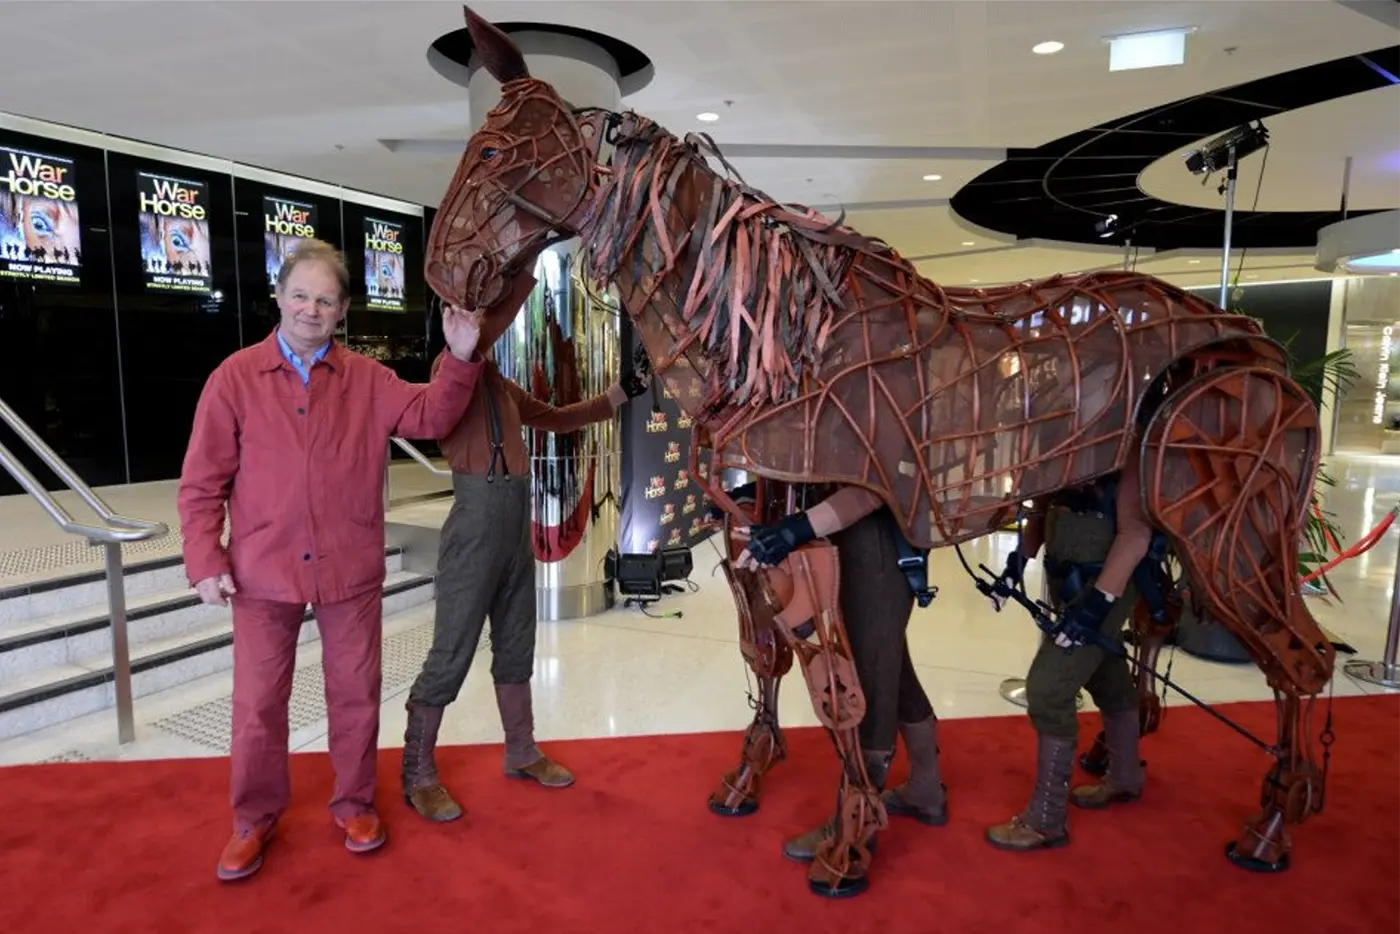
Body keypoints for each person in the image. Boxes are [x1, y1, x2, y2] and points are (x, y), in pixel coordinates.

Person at [177, 238, 486, 882]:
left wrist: (459, 358)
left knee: (355, 695)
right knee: (258, 703)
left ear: (342, 309)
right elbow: (202, 480)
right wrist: (205, 557)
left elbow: (429, 415)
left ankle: (354, 804)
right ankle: (252, 819)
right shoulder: (234, 377)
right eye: (300, 295)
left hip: (349, 567)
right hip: (264, 570)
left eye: (324, 299)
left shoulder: (368, 379)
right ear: (279, 297)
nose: (310, 309)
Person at [399, 326, 651, 822]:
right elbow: (434, 417)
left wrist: (623, 391)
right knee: (450, 653)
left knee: (517, 644)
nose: (485, 335)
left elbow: (556, 419)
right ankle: (417, 773)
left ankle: (521, 750)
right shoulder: (449, 376)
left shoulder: (500, 383)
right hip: (473, 531)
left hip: (516, 528)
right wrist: (460, 352)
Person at [732, 484, 949, 862]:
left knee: (870, 679)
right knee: (891, 666)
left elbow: (875, 484)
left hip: (877, 541)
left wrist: (795, 529)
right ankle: (926, 790)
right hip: (847, 534)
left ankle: (855, 826)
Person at [983, 457, 1154, 852]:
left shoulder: (1128, 445)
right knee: (1105, 675)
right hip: (1068, 583)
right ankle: (1126, 776)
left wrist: (1096, 607)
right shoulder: (1067, 437)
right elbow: (1043, 511)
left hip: (1105, 589)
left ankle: (1046, 820)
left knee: (1048, 690)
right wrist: (1015, 565)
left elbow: (1136, 534)